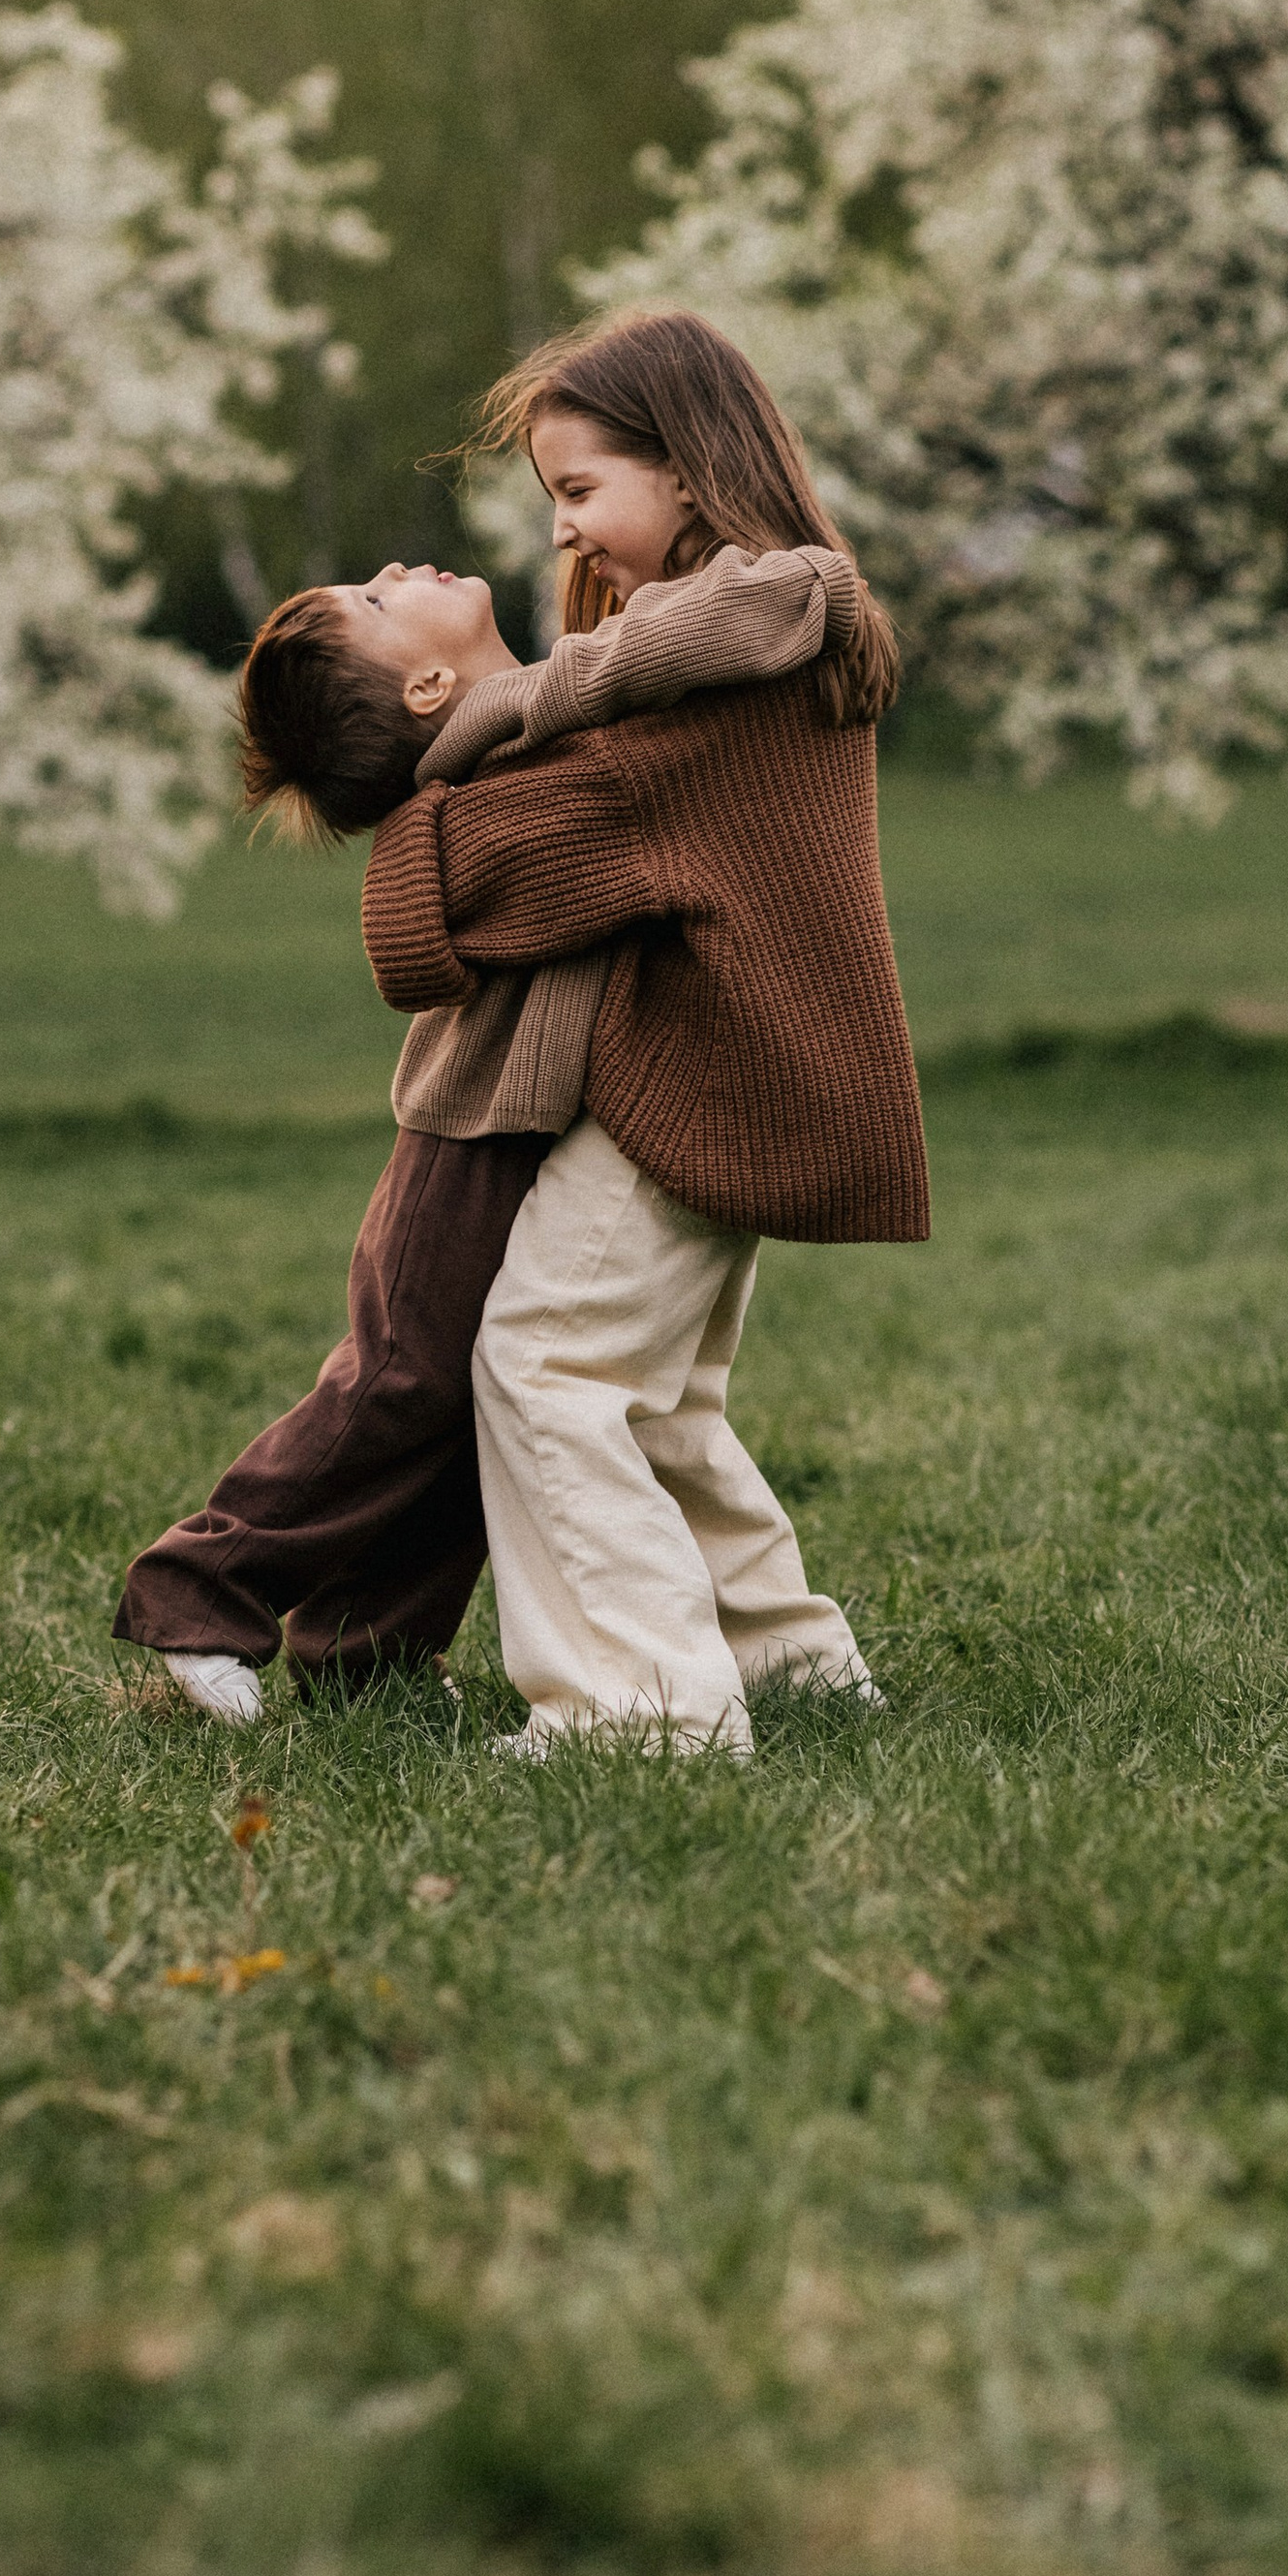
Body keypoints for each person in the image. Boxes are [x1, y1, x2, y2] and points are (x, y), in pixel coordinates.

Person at [112, 517, 868, 1721]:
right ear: (423, 683)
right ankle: (196, 1593)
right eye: (373, 593)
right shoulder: (492, 785)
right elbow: (420, 911)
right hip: (466, 1136)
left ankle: (360, 1663)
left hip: (546, 1127)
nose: (399, 565)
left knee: (477, 1408)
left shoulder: (530, 733)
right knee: (398, 1382)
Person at [359, 307, 930, 1754]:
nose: (567, 532)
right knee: (662, 1402)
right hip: (743, 1070)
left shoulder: (741, 641)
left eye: (579, 490)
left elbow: (534, 854)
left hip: (709, 1078)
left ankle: (643, 1712)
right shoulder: (706, 653)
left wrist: (430, 787)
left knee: (548, 1364)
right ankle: (794, 1670)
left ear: (690, 468)